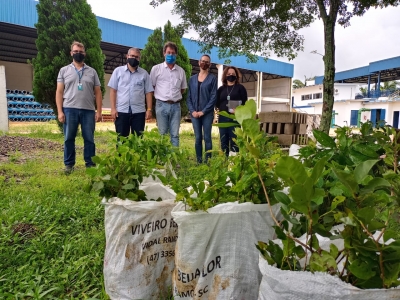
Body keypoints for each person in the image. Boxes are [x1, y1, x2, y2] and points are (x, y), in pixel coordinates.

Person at [56, 41, 102, 174]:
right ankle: (69, 165)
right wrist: (60, 111)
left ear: (84, 54)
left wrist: (98, 111)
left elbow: (98, 92)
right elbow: (59, 91)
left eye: (81, 52)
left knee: (89, 138)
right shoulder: (64, 71)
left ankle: (90, 164)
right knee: (69, 138)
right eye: (75, 52)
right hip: (69, 109)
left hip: (88, 110)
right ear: (71, 53)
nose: (78, 54)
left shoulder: (92, 72)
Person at [108, 47, 153, 138]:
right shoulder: (118, 71)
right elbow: (113, 90)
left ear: (139, 59)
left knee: (138, 140)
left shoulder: (144, 74)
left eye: (137, 57)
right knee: (121, 139)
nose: (134, 58)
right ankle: (121, 153)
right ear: (127, 56)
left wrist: (149, 109)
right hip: (121, 111)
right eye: (132, 56)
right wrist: (113, 108)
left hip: (139, 112)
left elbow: (148, 93)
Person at [150, 41, 187, 147]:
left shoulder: (181, 71)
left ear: (176, 55)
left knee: (175, 134)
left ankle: (174, 161)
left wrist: (173, 97)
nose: (170, 55)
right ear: (164, 53)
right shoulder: (156, 69)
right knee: (162, 134)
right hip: (161, 105)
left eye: (173, 53)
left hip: (176, 106)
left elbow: (182, 89)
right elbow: (152, 87)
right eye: (168, 52)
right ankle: (163, 161)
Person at [187, 54, 217, 163]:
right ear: (199, 62)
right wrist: (193, 111)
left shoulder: (212, 79)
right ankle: (199, 161)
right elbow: (189, 97)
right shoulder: (192, 79)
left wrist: (203, 111)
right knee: (198, 138)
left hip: (207, 114)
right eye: (203, 61)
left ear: (210, 65)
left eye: (207, 62)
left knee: (207, 138)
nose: (204, 63)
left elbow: (213, 97)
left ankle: (208, 161)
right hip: (194, 114)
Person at [216, 66, 247, 156]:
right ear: (225, 75)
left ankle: (233, 163)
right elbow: (217, 102)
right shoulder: (221, 89)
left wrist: (238, 110)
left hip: (235, 118)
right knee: (223, 141)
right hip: (223, 118)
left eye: (233, 74)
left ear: (236, 76)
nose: (231, 75)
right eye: (229, 74)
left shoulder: (240, 88)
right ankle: (225, 162)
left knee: (234, 141)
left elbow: (245, 103)